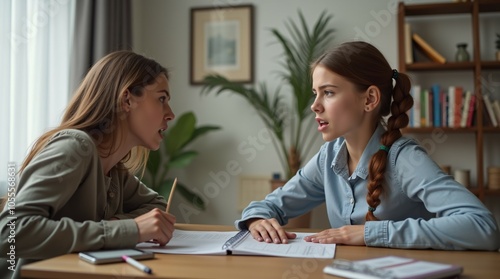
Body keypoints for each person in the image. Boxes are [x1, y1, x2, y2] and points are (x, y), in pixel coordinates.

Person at [236, 41, 500, 250]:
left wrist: (372, 233)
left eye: (328, 92)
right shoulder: (328, 156)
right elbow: (270, 205)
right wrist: (257, 220)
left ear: (370, 99)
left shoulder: (405, 159)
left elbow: (482, 227)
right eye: (315, 93)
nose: (314, 106)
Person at [0, 50, 176, 278]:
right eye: (162, 99)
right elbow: (9, 232)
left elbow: (157, 206)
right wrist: (127, 230)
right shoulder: (75, 148)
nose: (170, 114)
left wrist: (115, 224)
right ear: (127, 99)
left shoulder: (113, 169)